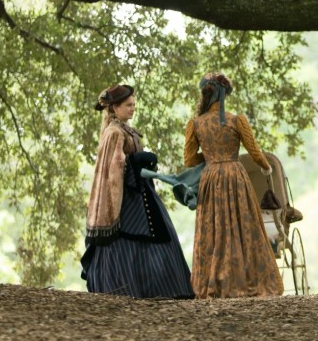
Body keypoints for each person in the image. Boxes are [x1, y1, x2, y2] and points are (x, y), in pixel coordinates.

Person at [81, 83, 194, 298]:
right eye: (127, 105)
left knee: (160, 234)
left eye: (133, 104)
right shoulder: (114, 132)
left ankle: (159, 288)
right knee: (126, 241)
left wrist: (144, 163)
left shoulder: (126, 129)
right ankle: (125, 288)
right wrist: (135, 161)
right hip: (124, 199)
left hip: (140, 194)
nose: (132, 108)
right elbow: (113, 170)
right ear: (114, 108)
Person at [183, 72, 284, 299]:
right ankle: (248, 280)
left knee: (214, 228)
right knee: (243, 228)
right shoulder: (236, 120)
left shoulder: (195, 123)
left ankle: (215, 283)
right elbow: (255, 152)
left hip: (211, 179)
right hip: (235, 177)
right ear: (224, 94)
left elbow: (189, 160)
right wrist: (266, 168)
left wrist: (210, 157)